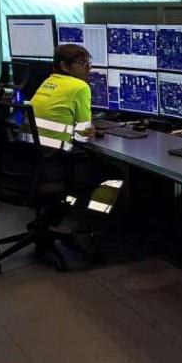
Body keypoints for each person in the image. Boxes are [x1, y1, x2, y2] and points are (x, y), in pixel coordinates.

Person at [30, 44, 120, 240]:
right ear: (64, 66)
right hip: (55, 164)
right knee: (113, 174)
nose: (88, 69)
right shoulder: (79, 87)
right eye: (83, 64)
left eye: (89, 64)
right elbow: (82, 136)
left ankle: (55, 219)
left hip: (35, 161)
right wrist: (92, 130)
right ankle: (86, 229)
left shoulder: (48, 82)